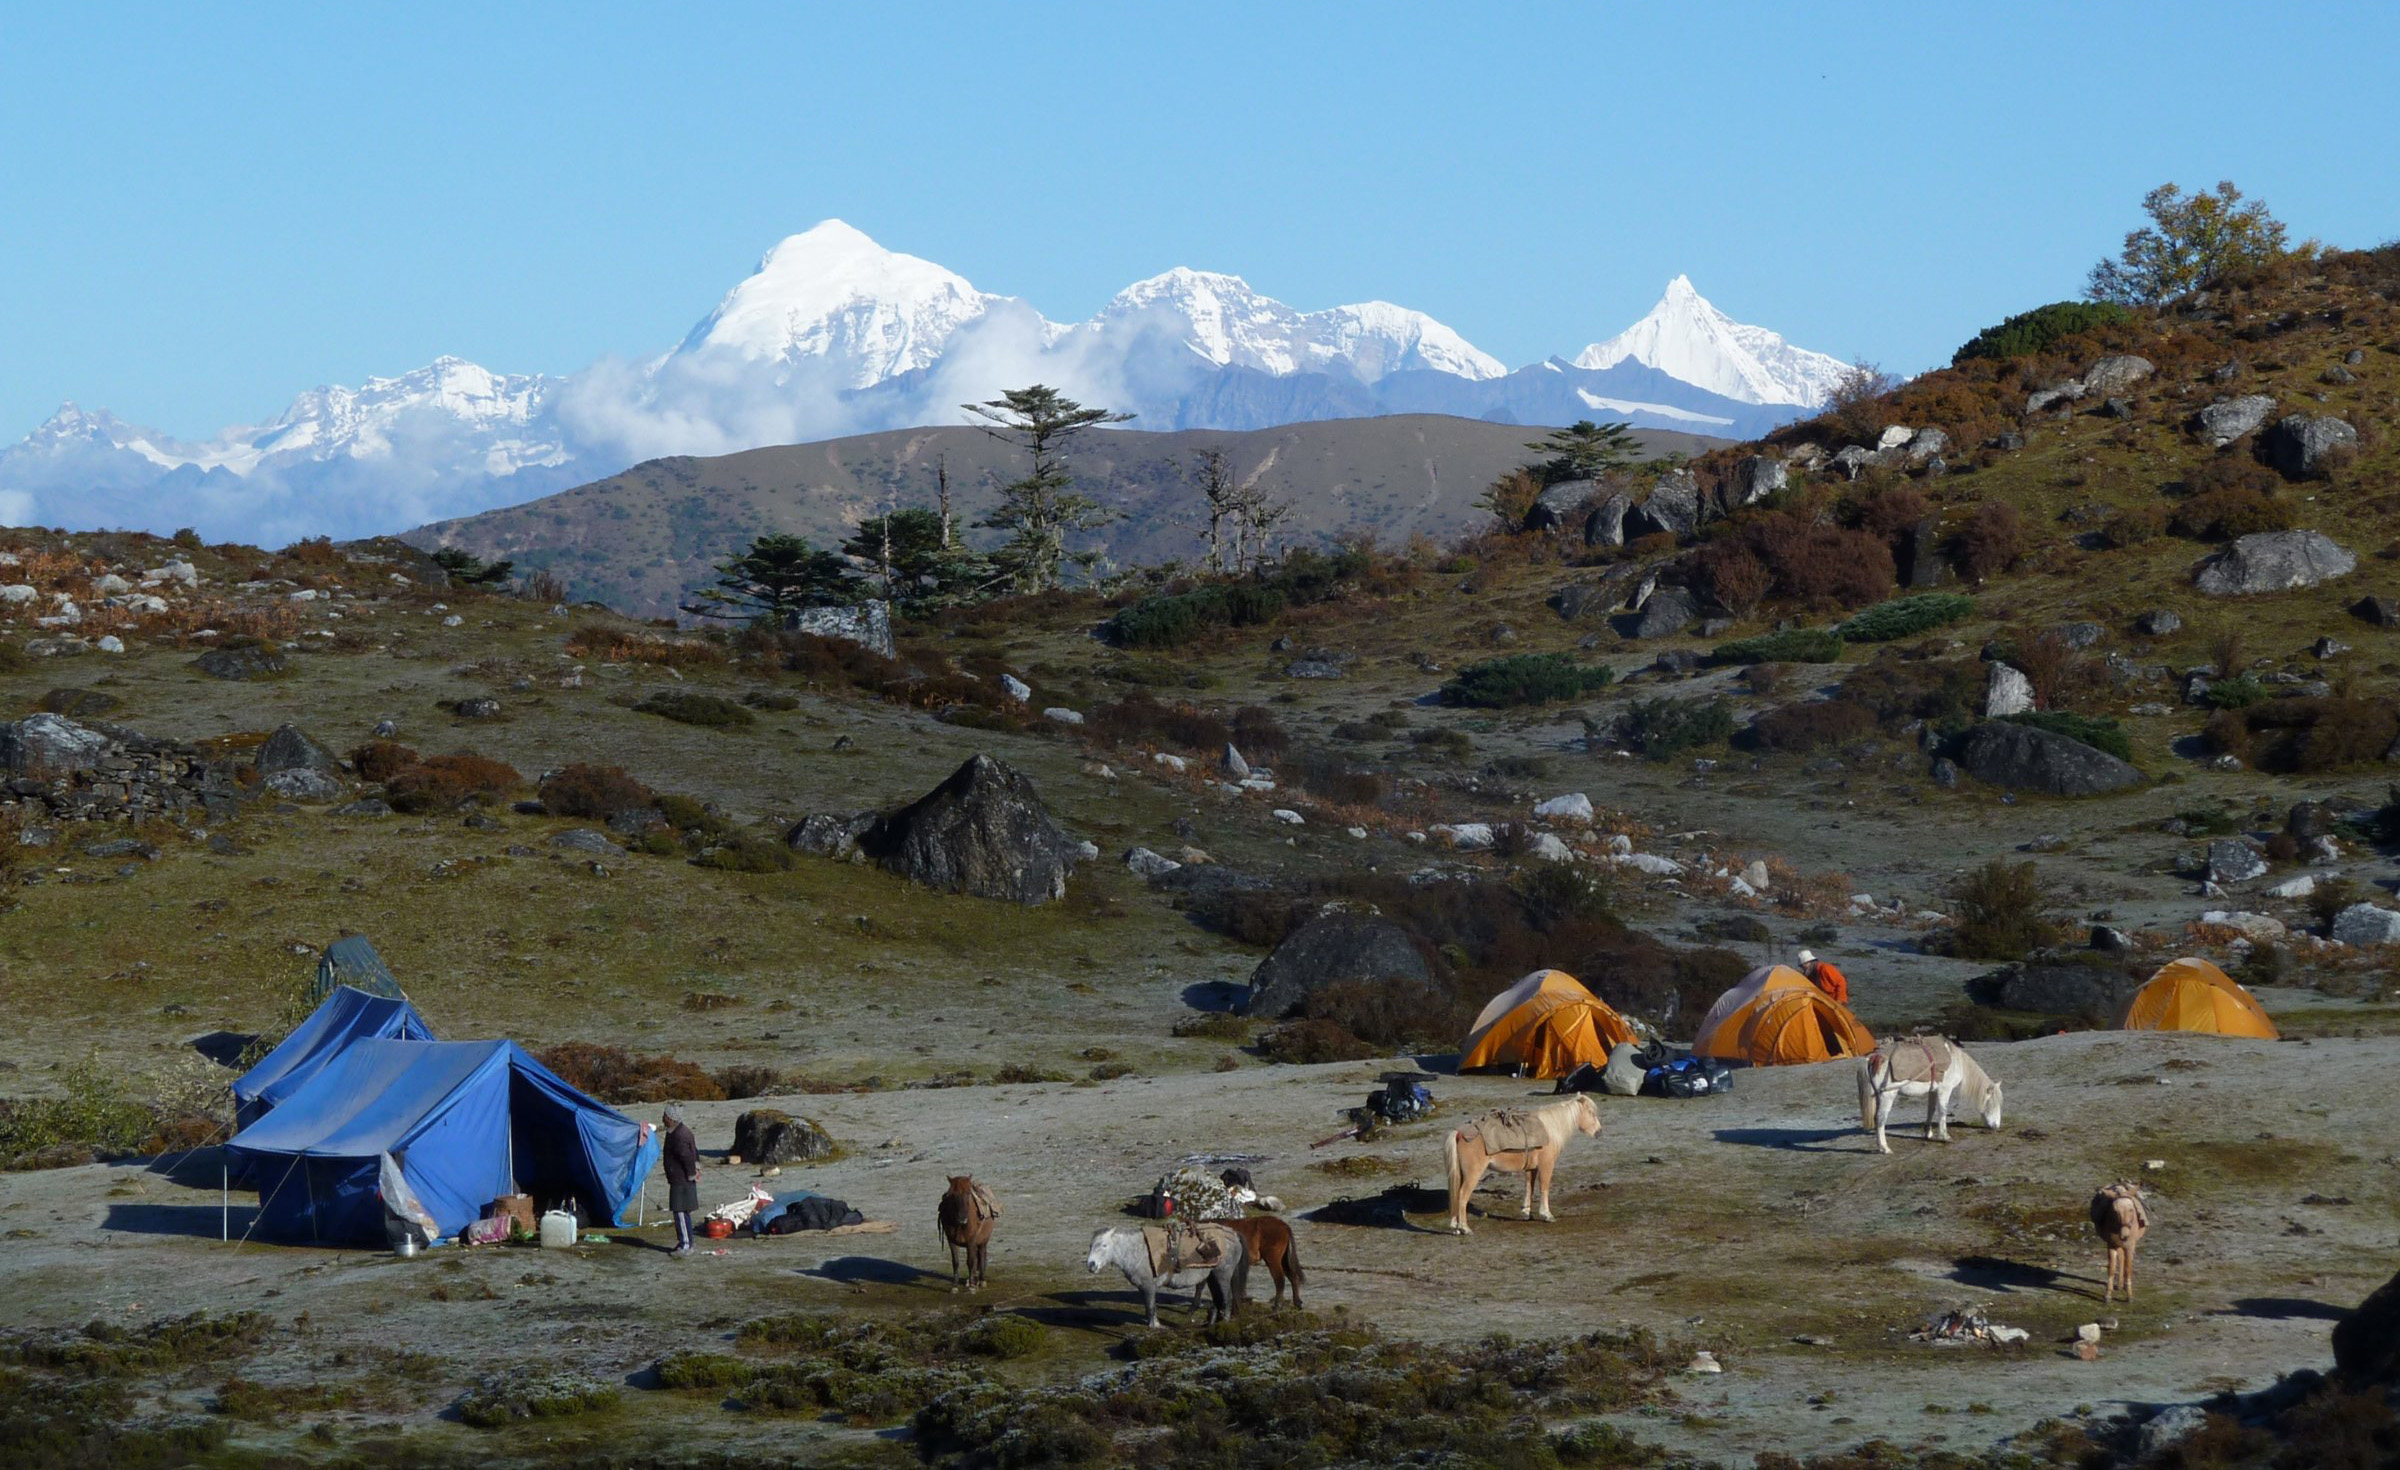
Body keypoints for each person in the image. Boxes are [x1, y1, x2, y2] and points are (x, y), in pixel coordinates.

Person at [661, 1103, 699, 1257]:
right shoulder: (677, 1132)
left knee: (681, 1213)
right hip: (679, 1179)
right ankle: (684, 1241)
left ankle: (686, 1245)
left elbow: (688, 1156)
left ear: (671, 1118)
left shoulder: (680, 1135)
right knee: (681, 1213)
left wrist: (692, 1173)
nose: (662, 1118)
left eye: (664, 1116)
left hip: (682, 1180)